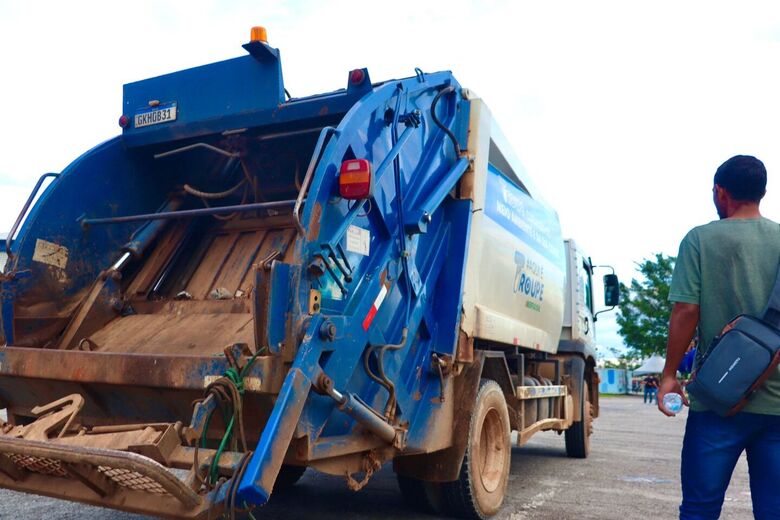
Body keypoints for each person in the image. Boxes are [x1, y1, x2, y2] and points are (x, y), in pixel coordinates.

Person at [658, 155, 780, 519]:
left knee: (700, 508)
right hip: (778, 407)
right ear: (762, 192)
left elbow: (686, 311)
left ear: (720, 192)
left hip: (717, 400)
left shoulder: (700, 240)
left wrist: (669, 376)